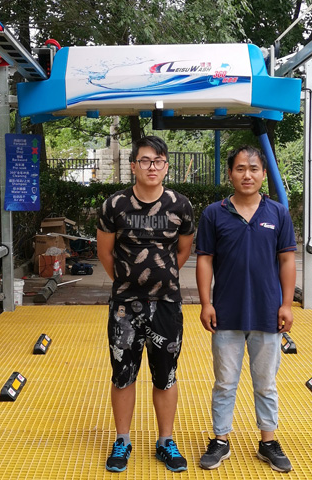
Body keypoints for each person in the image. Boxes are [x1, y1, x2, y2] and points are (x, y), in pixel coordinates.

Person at [195, 145, 297, 472]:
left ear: (264, 174)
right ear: (230, 174)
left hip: (268, 312)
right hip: (226, 312)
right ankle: (220, 439)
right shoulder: (214, 214)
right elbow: (205, 260)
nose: (247, 175)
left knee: (265, 382)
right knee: (225, 382)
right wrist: (206, 303)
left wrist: (286, 304)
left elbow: (287, 260)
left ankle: (268, 441)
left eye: (254, 169)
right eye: (240, 168)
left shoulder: (278, 213)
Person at [96, 135, 195, 473]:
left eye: (159, 161)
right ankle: (122, 440)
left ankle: (166, 441)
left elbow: (183, 250)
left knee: (166, 374)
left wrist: (160, 278)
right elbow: (105, 252)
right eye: (145, 160)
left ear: (166, 166)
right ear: (134, 165)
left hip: (166, 304)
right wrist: (129, 281)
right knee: (123, 374)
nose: (152, 167)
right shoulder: (114, 205)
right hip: (125, 306)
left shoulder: (180, 206)